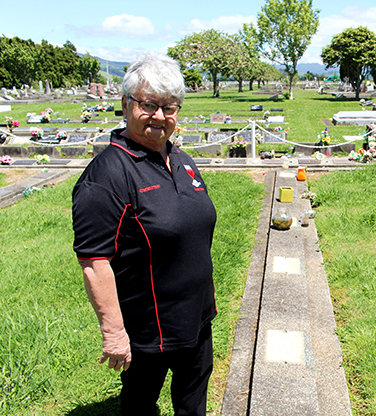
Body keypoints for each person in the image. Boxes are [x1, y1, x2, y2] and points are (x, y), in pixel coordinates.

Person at [72, 53, 217, 415]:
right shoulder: (106, 175)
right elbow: (94, 261)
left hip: (197, 319)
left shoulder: (181, 160)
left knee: (193, 404)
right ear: (125, 104)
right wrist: (114, 333)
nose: (159, 116)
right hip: (149, 332)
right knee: (140, 407)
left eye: (169, 107)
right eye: (148, 104)